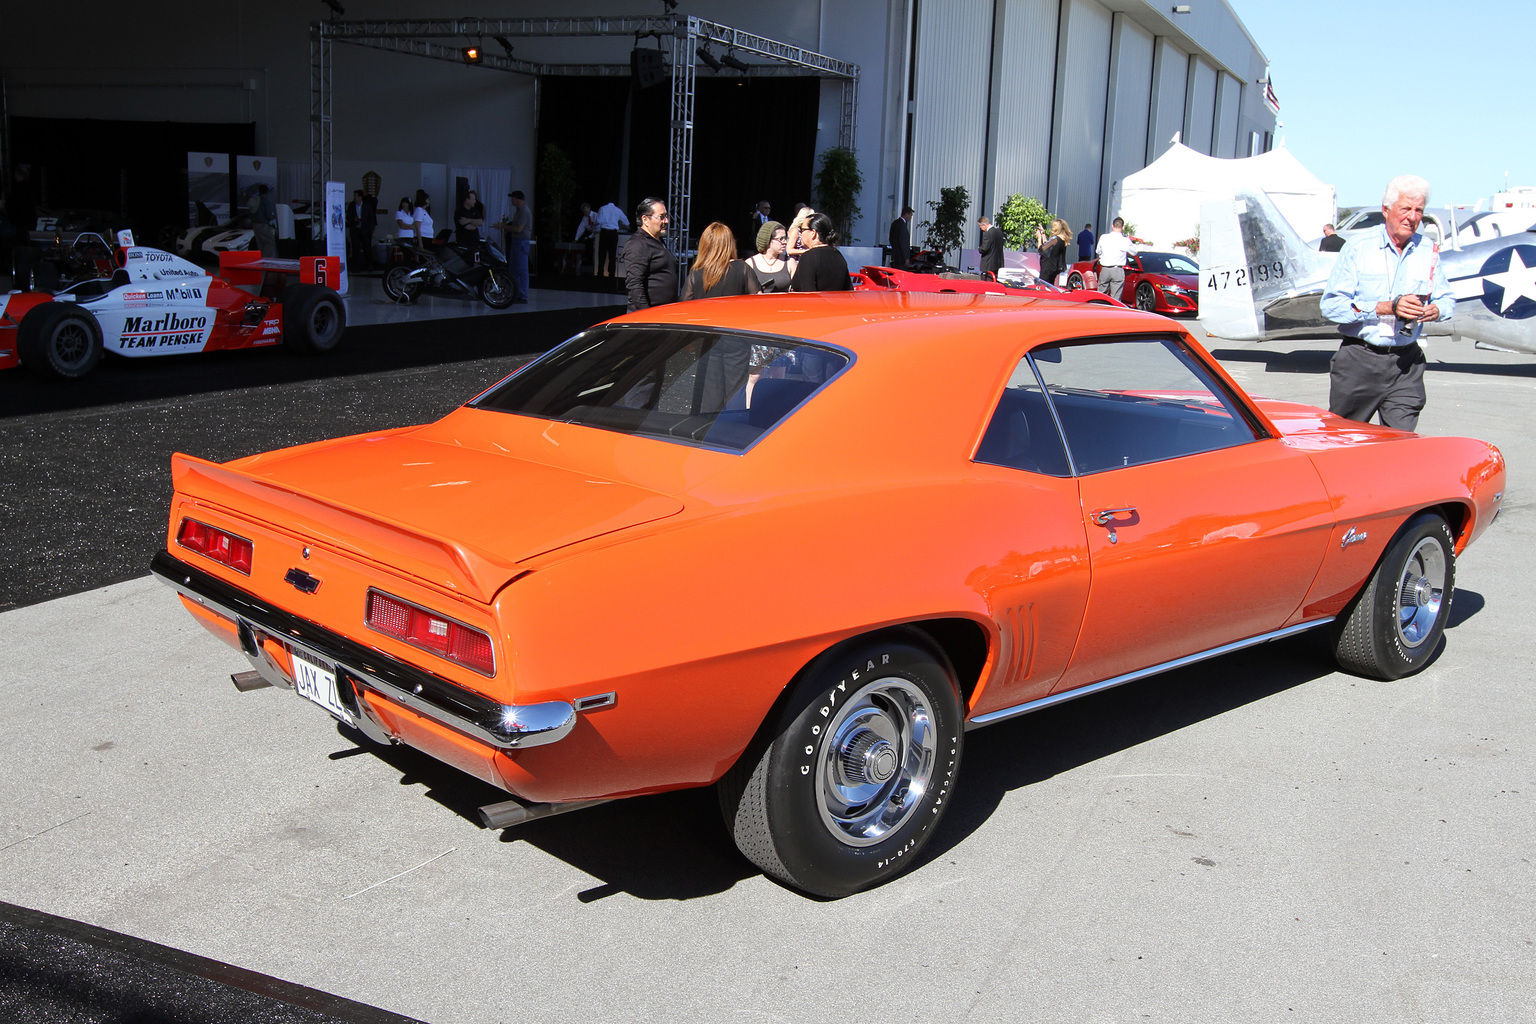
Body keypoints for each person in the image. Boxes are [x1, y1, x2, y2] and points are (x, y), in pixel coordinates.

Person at [1319, 174, 1453, 432]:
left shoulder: (1428, 250)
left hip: (1406, 363)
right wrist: (1383, 308)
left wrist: (1436, 310)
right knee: (1344, 440)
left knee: (1401, 445)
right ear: (1386, 210)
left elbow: (1447, 298)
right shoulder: (1358, 247)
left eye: (1418, 211)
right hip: (1360, 360)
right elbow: (1331, 306)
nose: (1412, 217)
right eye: (1405, 209)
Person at [621, 196, 677, 311]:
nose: (666, 221)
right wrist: (645, 314)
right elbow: (635, 284)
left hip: (662, 313)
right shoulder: (638, 244)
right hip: (647, 317)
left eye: (666, 216)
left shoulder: (657, 240)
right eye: (661, 217)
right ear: (645, 219)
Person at [681, 221, 758, 300]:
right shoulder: (743, 268)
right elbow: (757, 300)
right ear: (730, 244)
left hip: (705, 312)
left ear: (704, 245)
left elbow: (684, 304)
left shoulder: (695, 273)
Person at [788, 212, 852, 291]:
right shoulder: (838, 255)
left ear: (813, 233)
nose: (800, 233)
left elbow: (808, 294)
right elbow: (849, 290)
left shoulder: (809, 257)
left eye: (802, 229)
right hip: (837, 303)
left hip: (816, 303)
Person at [498, 190, 532, 303]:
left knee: (522, 269)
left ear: (518, 199)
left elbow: (519, 229)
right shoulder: (518, 211)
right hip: (516, 241)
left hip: (521, 241)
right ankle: (516, 293)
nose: (511, 200)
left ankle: (523, 295)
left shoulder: (524, 211)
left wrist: (504, 226)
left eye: (513, 198)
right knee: (514, 269)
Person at [745, 220, 791, 293]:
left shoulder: (789, 262)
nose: (785, 242)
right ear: (768, 240)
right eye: (781, 239)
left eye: (785, 238)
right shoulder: (750, 264)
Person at [1094, 217, 1132, 301]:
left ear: (1112, 226)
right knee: (1116, 297)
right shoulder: (1125, 240)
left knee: (1101, 295)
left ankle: (1099, 310)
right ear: (1123, 227)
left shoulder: (1104, 237)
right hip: (1117, 269)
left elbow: (1098, 251)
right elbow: (1134, 252)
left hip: (1105, 268)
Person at [595, 199, 629, 277]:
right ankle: (612, 273)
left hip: (604, 232)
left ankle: (600, 272)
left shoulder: (602, 208)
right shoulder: (618, 210)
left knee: (602, 254)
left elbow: (598, 221)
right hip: (613, 234)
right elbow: (626, 222)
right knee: (612, 254)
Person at [347, 188, 378, 271]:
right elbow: (348, 216)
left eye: (356, 196)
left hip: (365, 230)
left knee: (367, 248)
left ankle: (369, 265)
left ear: (360, 197)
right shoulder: (351, 205)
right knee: (355, 248)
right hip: (355, 229)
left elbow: (371, 218)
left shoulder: (367, 205)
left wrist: (369, 230)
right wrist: (354, 219)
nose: (355, 198)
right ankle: (355, 266)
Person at [1038, 218, 1070, 285]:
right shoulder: (1062, 239)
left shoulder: (1055, 240)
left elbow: (1041, 249)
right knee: (1050, 286)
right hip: (1054, 268)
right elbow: (1047, 245)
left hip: (1047, 268)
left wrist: (1039, 238)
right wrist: (1043, 234)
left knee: (1043, 286)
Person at [786, 205, 816, 278]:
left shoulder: (807, 230)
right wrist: (807, 251)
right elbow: (789, 250)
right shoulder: (796, 230)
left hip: (805, 261)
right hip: (795, 263)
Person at [248, 184, 277, 257]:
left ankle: (261, 258)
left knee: (260, 243)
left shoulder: (256, 199)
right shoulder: (265, 200)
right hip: (263, 224)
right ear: (267, 191)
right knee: (269, 242)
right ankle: (268, 259)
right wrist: (272, 218)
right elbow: (268, 214)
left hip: (255, 224)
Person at [573, 202, 598, 273]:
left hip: (598, 235)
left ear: (589, 209)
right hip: (591, 236)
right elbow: (580, 228)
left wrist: (590, 237)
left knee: (596, 251)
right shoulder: (585, 218)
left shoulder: (596, 216)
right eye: (584, 211)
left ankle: (596, 268)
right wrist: (576, 238)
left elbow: (597, 229)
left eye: (586, 211)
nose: (585, 213)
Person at [888, 204, 913, 269]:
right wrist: (906, 258)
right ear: (906, 214)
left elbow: (891, 238)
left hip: (895, 254)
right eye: (910, 215)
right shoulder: (902, 225)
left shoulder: (895, 223)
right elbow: (903, 242)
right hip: (901, 258)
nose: (911, 217)